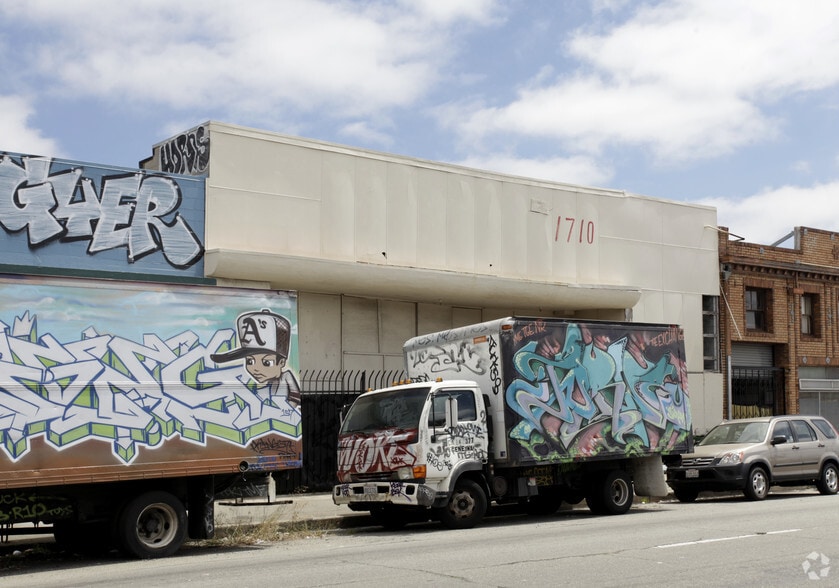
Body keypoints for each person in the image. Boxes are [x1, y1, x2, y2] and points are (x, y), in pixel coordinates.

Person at [211, 309, 301, 409]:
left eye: (266, 362)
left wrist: (287, 410)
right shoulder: (269, 383)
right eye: (250, 361)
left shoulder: (286, 376)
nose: (256, 368)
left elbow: (295, 396)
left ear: (282, 362)